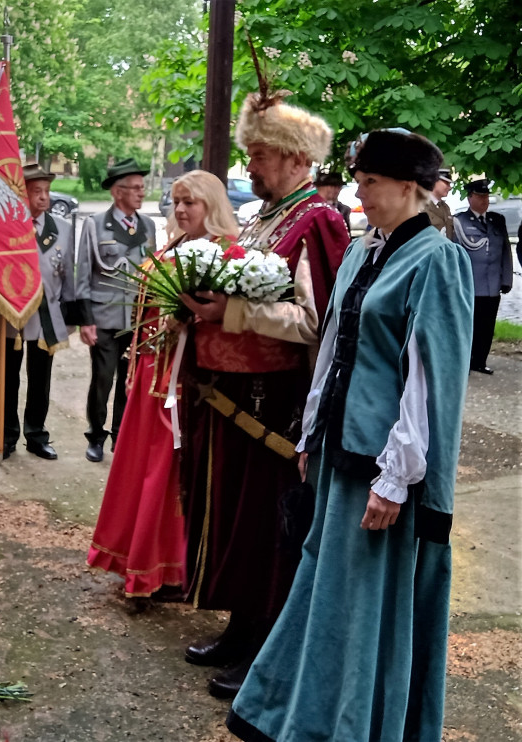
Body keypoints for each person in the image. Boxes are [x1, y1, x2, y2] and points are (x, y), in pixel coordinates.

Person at [228, 129, 473, 742]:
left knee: (364, 599)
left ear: (411, 187)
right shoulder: (364, 252)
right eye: (358, 182)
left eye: (371, 183)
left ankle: (355, 724)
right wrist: (311, 434)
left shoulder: (437, 260)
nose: (359, 195)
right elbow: (335, 347)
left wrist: (396, 478)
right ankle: (304, 712)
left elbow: (429, 379)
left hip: (382, 466)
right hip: (339, 452)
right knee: (325, 587)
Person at [180, 92, 348, 699]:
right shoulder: (260, 216)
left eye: (259, 154)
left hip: (275, 403)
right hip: (231, 394)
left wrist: (232, 312)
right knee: (237, 516)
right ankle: (242, 625)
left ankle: (268, 649)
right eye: (249, 153)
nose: (249, 165)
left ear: (297, 157)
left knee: (269, 526)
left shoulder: (319, 220)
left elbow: (317, 321)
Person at [88, 170, 238, 602]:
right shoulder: (173, 246)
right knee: (143, 469)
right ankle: (135, 558)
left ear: (211, 204)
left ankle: (171, 570)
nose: (181, 209)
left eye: (191, 201)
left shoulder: (228, 253)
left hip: (187, 385)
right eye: (176, 201)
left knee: (170, 475)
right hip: (151, 377)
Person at [0, 164, 75, 461]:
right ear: (21, 195)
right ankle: (5, 436)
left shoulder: (62, 228)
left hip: (46, 315)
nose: (43, 197)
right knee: (6, 377)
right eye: (36, 191)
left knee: (41, 378)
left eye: (46, 191)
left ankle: (36, 435)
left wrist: (70, 317)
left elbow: (68, 275)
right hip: (10, 313)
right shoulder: (4, 226)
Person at [75, 158, 156, 463]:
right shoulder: (95, 224)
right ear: (117, 192)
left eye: (142, 187)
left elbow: (153, 272)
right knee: (103, 379)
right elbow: (83, 274)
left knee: (129, 381)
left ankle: (120, 437)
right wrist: (86, 320)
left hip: (137, 317)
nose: (141, 193)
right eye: (135, 188)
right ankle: (95, 435)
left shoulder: (148, 226)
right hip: (105, 316)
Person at [452, 178, 512, 374]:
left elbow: (505, 251)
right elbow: (455, 255)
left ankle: (480, 361)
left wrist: (506, 279)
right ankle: (466, 361)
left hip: (492, 283)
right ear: (470, 198)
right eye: (480, 197)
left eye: (486, 197)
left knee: (487, 325)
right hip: (470, 284)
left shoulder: (497, 220)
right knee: (469, 325)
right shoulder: (459, 221)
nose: (484, 201)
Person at [423, 167, 455, 238]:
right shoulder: (421, 206)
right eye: (446, 183)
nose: (450, 187)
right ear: (434, 181)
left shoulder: (445, 207)